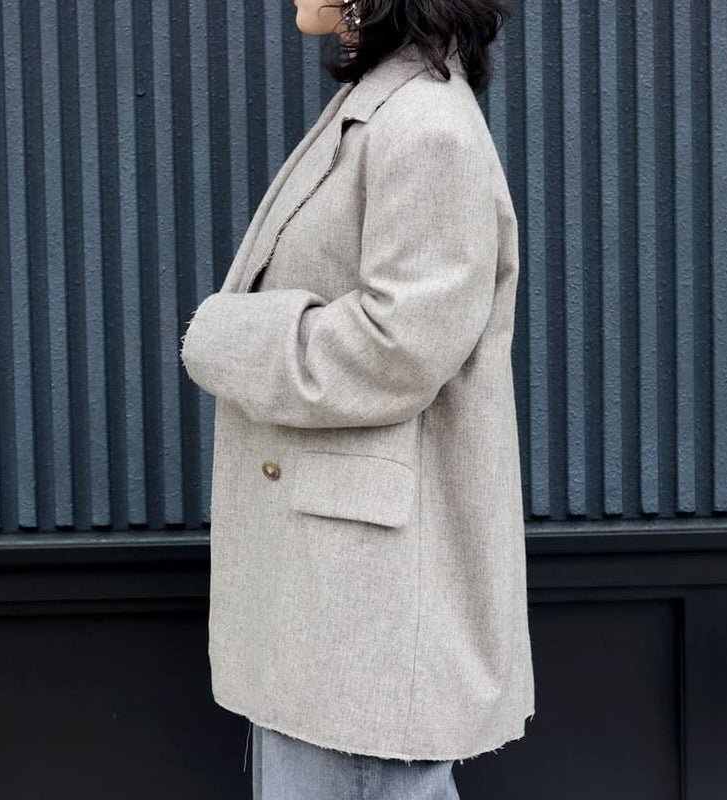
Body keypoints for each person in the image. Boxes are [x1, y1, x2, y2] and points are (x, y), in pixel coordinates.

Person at [180, 0, 535, 797]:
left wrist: (227, 336)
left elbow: (403, 346)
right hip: (334, 590)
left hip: (365, 602)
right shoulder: (382, 104)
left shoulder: (425, 125)